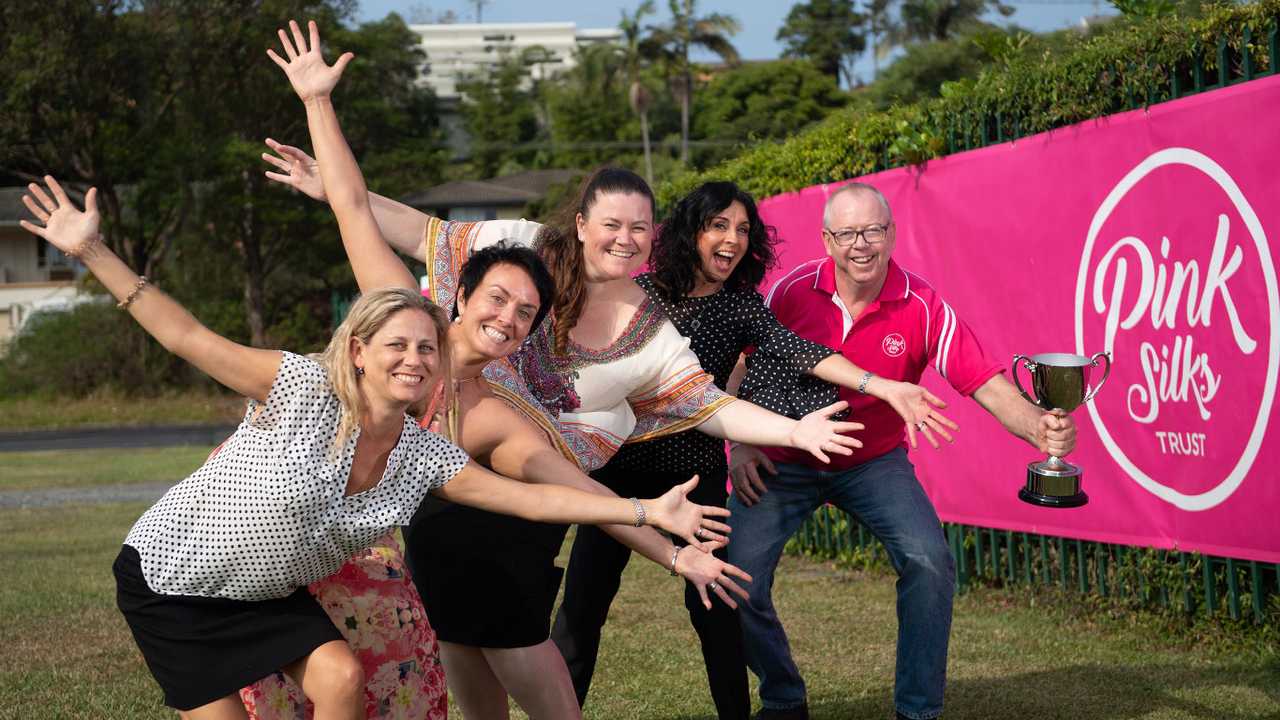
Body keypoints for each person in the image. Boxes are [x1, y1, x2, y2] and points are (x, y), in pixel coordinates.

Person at [257, 21, 858, 720]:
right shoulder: (493, 272)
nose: (626, 240)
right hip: (439, 510)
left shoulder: (625, 347)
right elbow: (379, 221)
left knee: (519, 654)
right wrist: (320, 123)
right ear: (579, 223)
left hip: (523, 516)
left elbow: (691, 417)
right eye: (612, 224)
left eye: (641, 229)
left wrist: (790, 432)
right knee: (461, 656)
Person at [549, 181, 958, 719]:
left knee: (717, 611)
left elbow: (801, 351)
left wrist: (879, 385)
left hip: (696, 479)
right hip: (620, 475)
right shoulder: (639, 294)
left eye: (742, 229)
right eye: (718, 225)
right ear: (691, 232)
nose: (732, 239)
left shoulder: (742, 306)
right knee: (580, 614)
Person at [726, 182, 1079, 720]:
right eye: (846, 233)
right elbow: (738, 366)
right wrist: (741, 445)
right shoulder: (790, 292)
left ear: (892, 234)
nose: (860, 244)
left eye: (873, 230)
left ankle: (918, 710)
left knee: (930, 561)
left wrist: (1040, 428)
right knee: (735, 576)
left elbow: (982, 380)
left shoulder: (923, 304)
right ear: (826, 239)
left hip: (873, 463)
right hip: (784, 458)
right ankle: (782, 695)